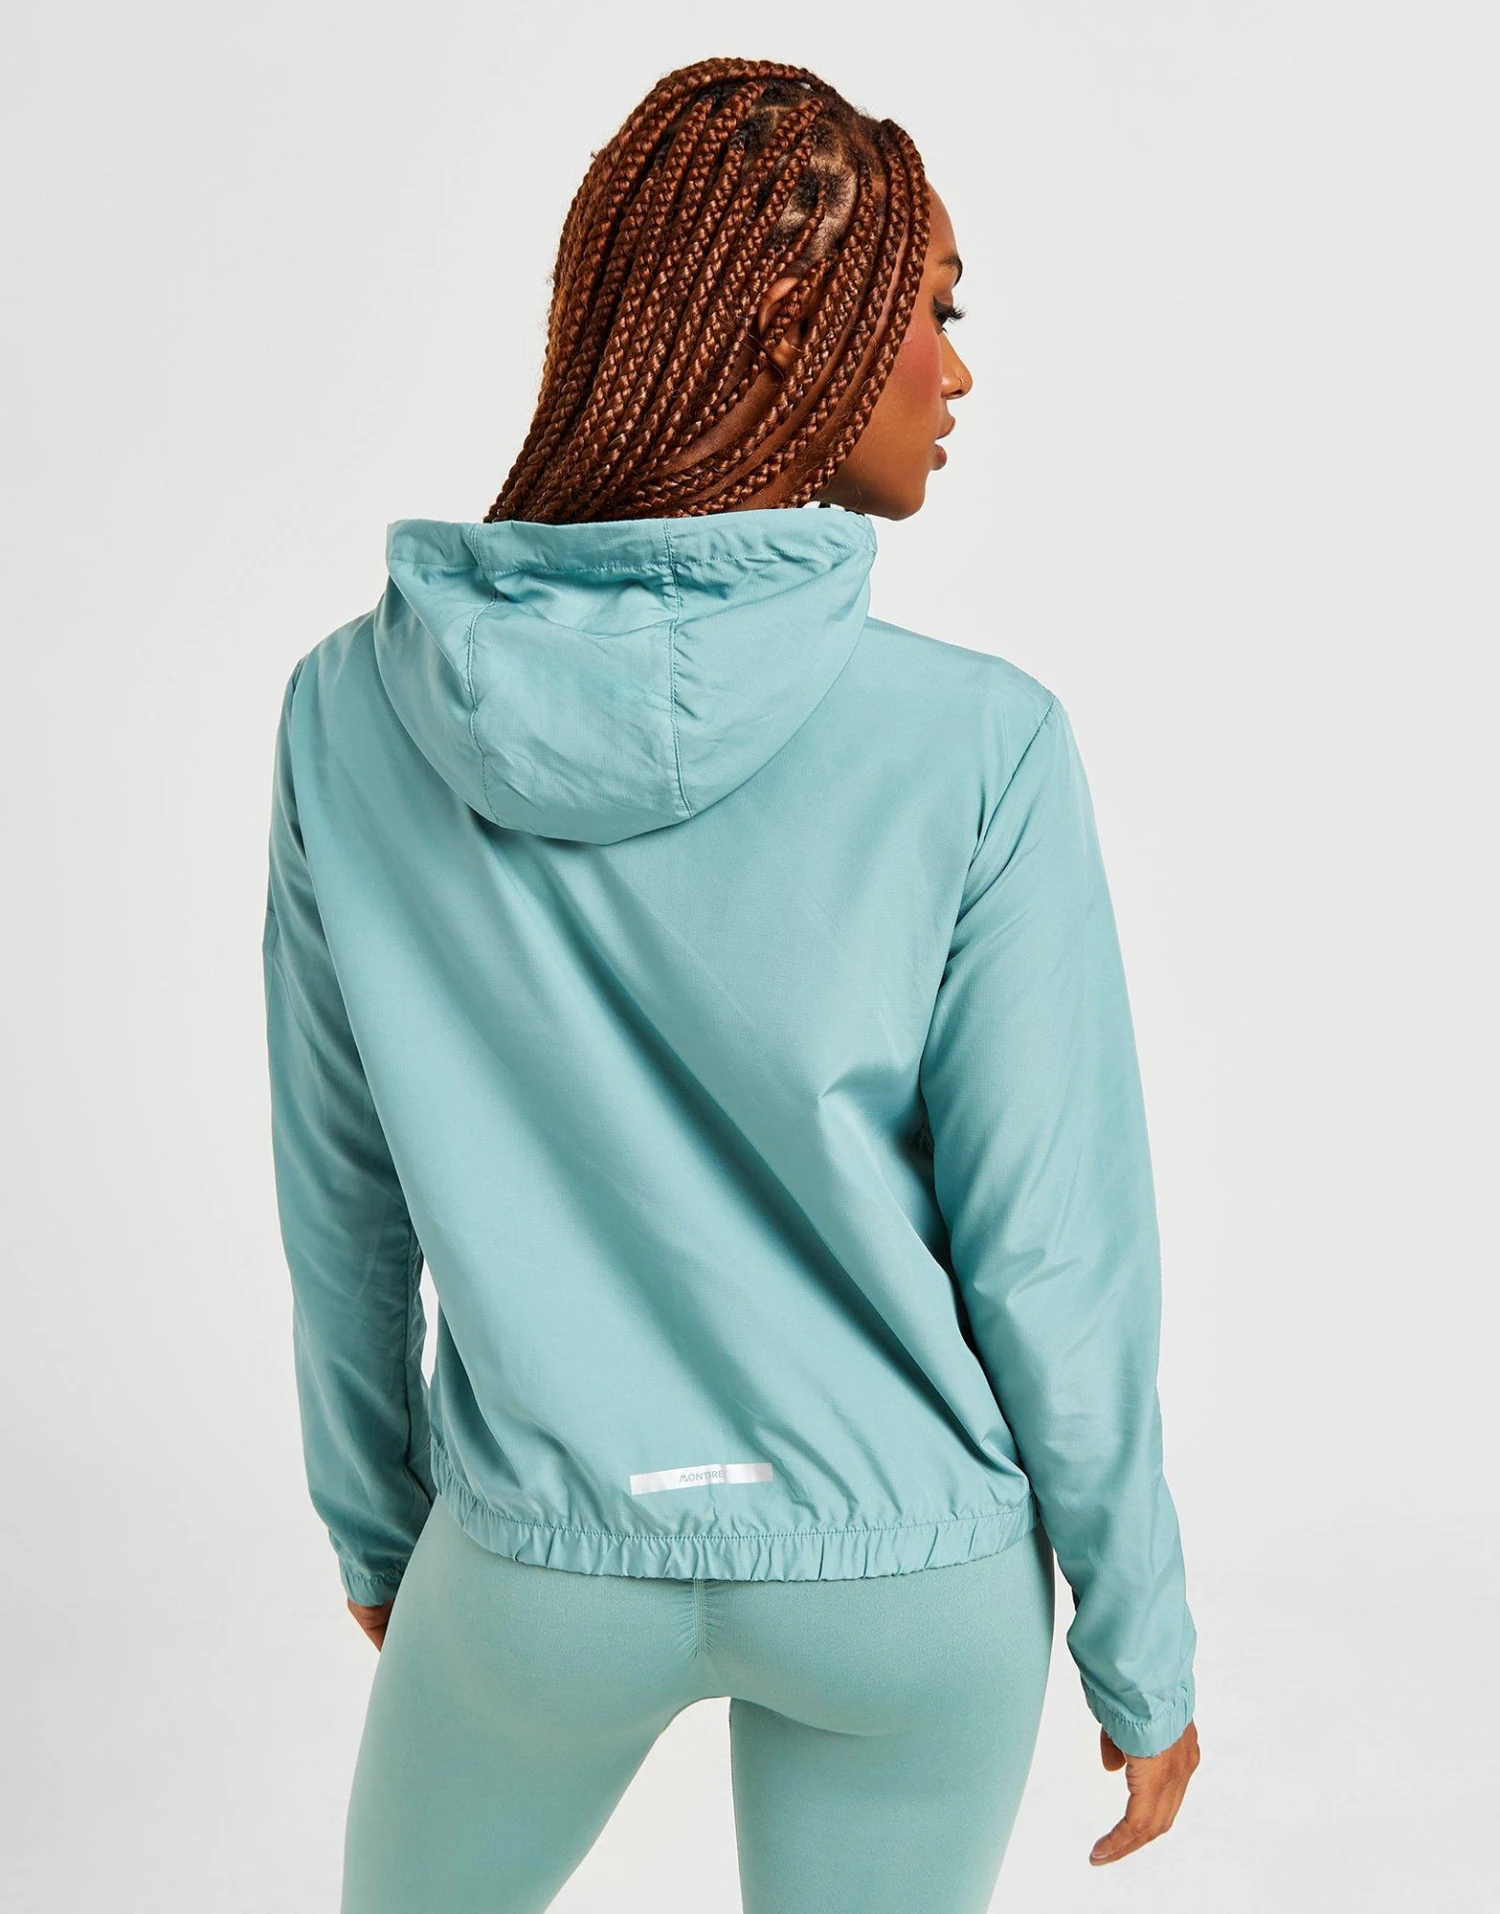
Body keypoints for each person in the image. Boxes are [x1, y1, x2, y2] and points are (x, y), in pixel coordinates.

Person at [261, 54, 1199, 1914]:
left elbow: (342, 1196)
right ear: (790, 323)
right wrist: (1139, 1633)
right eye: (934, 311)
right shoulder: (983, 746)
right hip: (910, 1572)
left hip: (539, 1569)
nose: (957, 371)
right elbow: (1052, 1251)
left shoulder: (349, 713)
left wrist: (381, 1528)